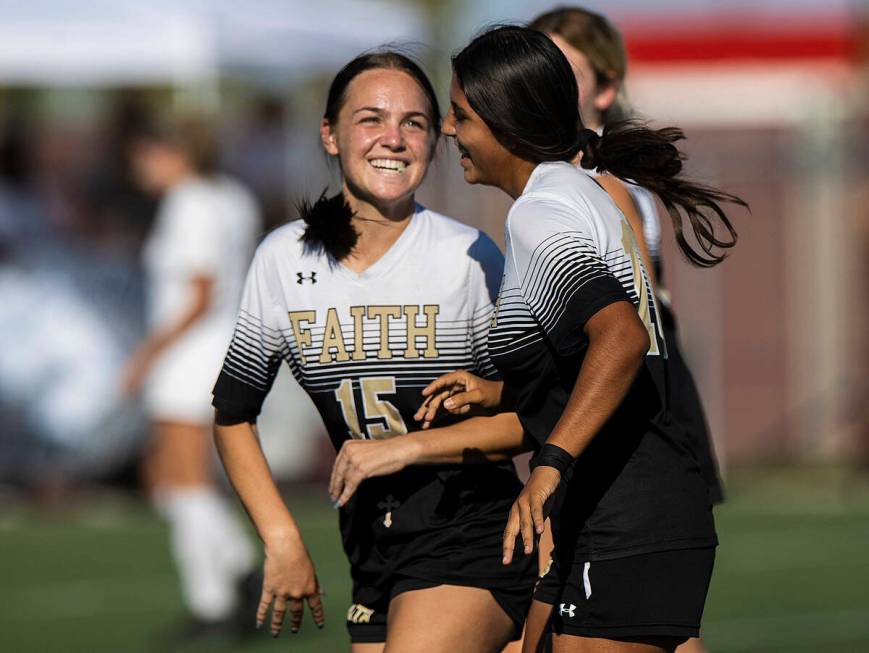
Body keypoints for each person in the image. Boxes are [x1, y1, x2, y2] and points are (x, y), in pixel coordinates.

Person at [420, 26, 747, 653]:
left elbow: (620, 339)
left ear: (505, 123)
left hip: (625, 514)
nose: (447, 130)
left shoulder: (541, 214)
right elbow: (584, 353)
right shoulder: (575, 193)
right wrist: (500, 390)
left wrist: (547, 466)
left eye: (459, 115)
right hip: (626, 508)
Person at [210, 51, 538, 652]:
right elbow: (232, 416)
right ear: (330, 134)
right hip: (370, 545)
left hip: (471, 531)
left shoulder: (468, 256)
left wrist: (406, 448)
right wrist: (281, 539)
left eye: (414, 122)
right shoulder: (284, 259)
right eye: (371, 118)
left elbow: (535, 415)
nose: (394, 137)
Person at [521, 9, 728, 652]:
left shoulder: (600, 187)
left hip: (639, 407)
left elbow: (631, 326)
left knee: (628, 613)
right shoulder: (566, 182)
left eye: (564, 73)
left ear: (604, 89)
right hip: (620, 402)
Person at [123, 115, 261, 639]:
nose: (142, 163)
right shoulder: (231, 196)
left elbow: (199, 292)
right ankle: (228, 582)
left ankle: (225, 588)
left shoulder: (190, 202)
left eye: (150, 151)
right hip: (222, 349)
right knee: (181, 480)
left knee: (180, 482)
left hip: (191, 356)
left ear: (176, 153)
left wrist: (146, 354)